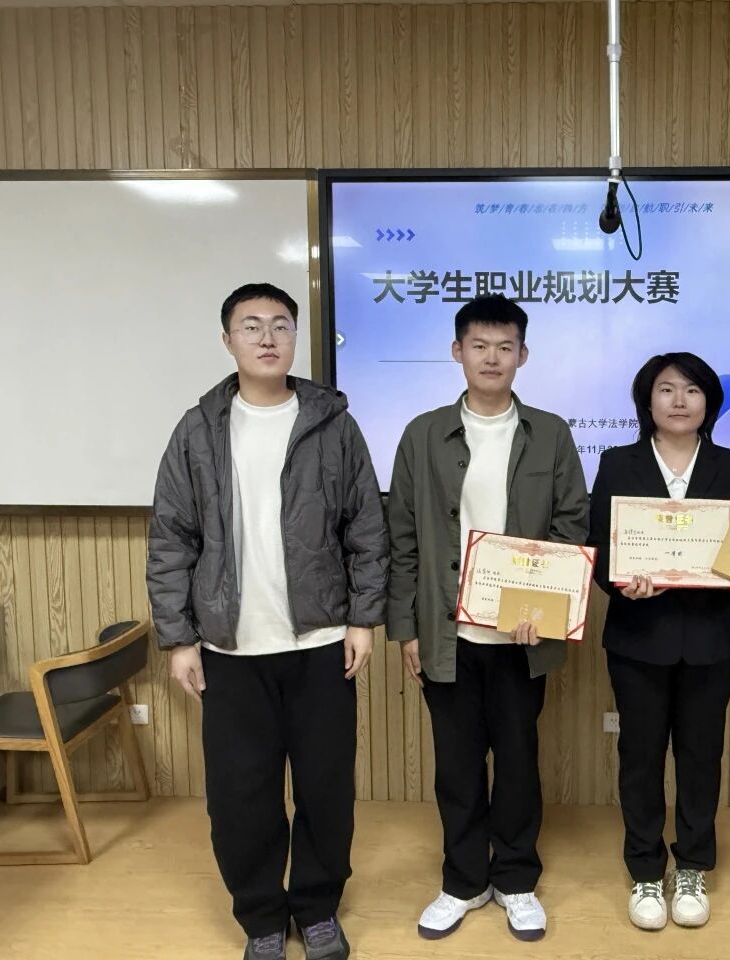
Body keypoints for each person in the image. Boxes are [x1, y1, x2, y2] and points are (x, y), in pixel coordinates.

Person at [147, 283, 388, 960]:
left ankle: (317, 908)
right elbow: (171, 539)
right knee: (240, 795)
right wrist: (179, 638)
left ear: (295, 337)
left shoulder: (332, 424)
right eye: (250, 326)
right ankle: (260, 916)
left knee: (325, 789)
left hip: (320, 641)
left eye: (280, 325)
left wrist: (363, 620)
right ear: (228, 340)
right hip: (229, 648)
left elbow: (366, 528)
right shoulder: (198, 429)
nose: (267, 338)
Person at [385, 294, 587, 943]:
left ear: (523, 355)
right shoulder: (422, 434)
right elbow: (402, 537)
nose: (492, 358)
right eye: (479, 346)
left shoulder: (550, 433)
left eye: (505, 347)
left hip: (522, 638)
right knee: (457, 765)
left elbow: (571, 524)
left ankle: (517, 879)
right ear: (458, 352)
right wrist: (406, 629)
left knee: (519, 761)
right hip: (447, 634)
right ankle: (463, 880)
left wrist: (541, 607)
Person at [587, 352, 730, 931]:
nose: (680, 400)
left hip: (712, 638)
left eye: (692, 390)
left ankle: (692, 865)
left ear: (709, 401)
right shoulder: (617, 463)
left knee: (701, 756)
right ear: (648, 400)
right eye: (667, 389)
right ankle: (645, 869)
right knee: (639, 757)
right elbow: (600, 550)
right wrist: (621, 582)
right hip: (638, 636)